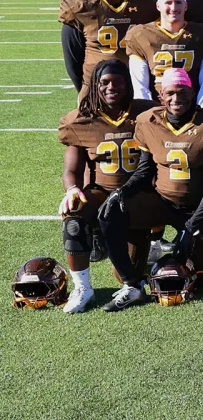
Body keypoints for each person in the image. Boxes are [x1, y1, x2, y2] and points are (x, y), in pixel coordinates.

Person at [96, 68, 203, 311]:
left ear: (193, 93)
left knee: (202, 275)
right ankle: (132, 286)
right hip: (161, 201)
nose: (176, 98)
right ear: (161, 95)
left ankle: (200, 245)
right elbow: (144, 171)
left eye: (182, 93)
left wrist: (192, 228)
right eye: (170, 93)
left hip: (198, 206)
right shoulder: (149, 121)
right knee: (110, 212)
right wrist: (122, 191)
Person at [57, 60, 157, 313]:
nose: (111, 87)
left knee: (126, 275)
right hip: (100, 192)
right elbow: (71, 170)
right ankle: (83, 287)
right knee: (74, 216)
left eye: (118, 81)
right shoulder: (82, 120)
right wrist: (72, 190)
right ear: (94, 86)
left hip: (138, 196)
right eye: (104, 82)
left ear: (128, 84)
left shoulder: (147, 114)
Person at [58, 0, 157, 94]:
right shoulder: (81, 7)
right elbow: (72, 58)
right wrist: (86, 89)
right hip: (99, 84)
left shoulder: (146, 1)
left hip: (137, 83)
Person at [125, 0, 203, 108]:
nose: (174, 8)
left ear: (185, 6)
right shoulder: (140, 34)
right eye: (168, 3)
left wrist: (202, 110)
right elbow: (140, 85)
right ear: (158, 6)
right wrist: (147, 112)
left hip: (190, 105)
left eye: (178, 2)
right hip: (157, 104)